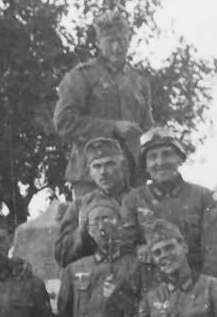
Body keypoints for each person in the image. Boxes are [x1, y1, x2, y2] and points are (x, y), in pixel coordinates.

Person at [53, 10, 154, 197]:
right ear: (99, 43)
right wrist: (112, 127)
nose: (117, 47)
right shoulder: (81, 76)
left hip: (132, 178)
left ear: (129, 40)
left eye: (122, 40)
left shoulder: (139, 80)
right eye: (110, 41)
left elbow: (147, 127)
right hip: (92, 179)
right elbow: (64, 123)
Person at [121, 128, 217, 280]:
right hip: (151, 286)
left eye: (167, 154)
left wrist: (203, 290)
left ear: (179, 159)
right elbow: (124, 248)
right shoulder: (133, 200)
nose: (160, 162)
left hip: (194, 281)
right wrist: (139, 249)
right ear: (145, 165)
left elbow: (215, 252)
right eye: (152, 157)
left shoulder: (204, 197)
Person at [53, 136, 132, 267]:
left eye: (110, 164)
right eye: (97, 166)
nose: (103, 172)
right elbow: (62, 256)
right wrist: (82, 231)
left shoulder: (140, 198)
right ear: (89, 171)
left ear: (123, 165)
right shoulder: (80, 205)